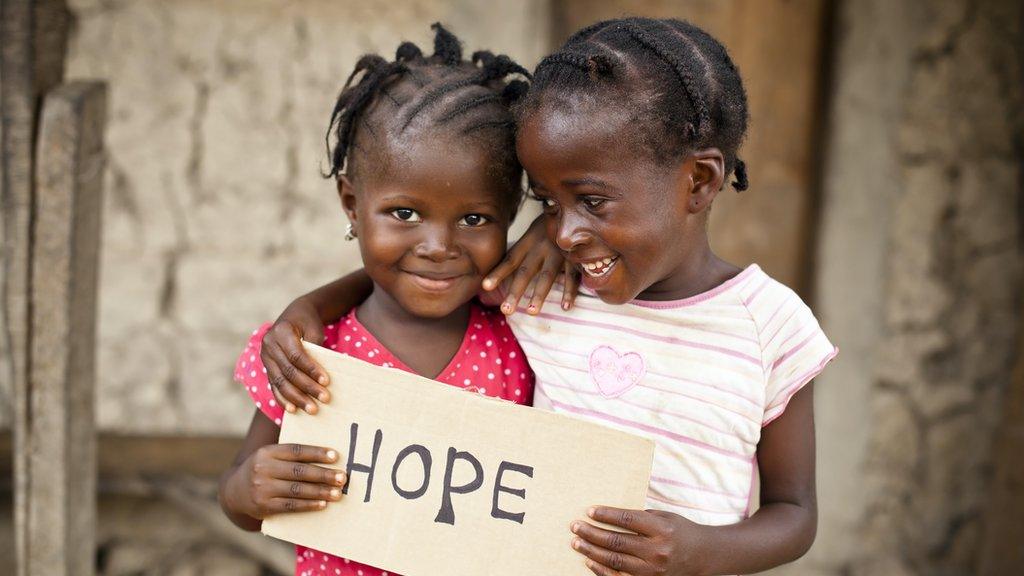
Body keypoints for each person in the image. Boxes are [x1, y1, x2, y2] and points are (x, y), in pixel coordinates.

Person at [264, 17, 837, 576]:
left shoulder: (770, 325)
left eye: (590, 199)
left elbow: (795, 515)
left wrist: (701, 553)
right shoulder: (547, 291)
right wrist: (311, 308)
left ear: (701, 181)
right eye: (548, 204)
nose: (563, 233)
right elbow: (422, 273)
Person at [217, 24, 548, 576]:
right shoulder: (313, 352)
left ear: (511, 214)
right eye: (404, 214)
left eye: (474, 219)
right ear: (351, 203)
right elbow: (238, 495)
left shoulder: (522, 337)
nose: (438, 247)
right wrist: (248, 492)